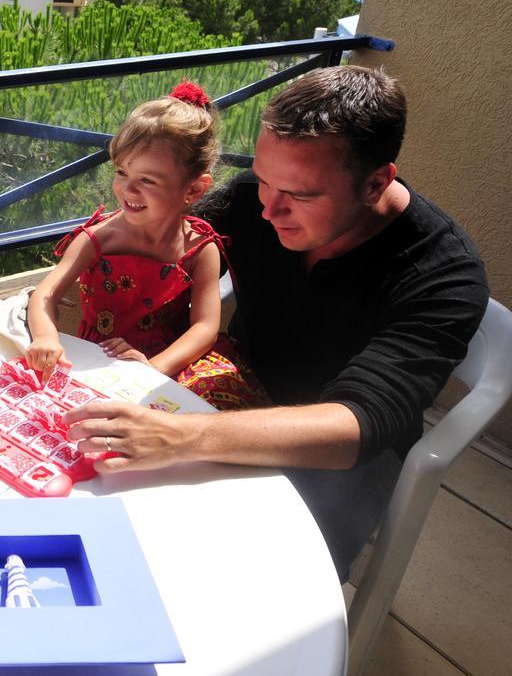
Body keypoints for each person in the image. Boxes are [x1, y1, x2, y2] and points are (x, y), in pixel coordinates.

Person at [63, 66, 489, 578]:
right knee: (123, 511)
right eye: (264, 181)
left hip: (341, 453)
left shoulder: (442, 272)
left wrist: (184, 436)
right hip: (234, 386)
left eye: (301, 195)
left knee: (269, 574)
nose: (268, 211)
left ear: (377, 182)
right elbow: (157, 233)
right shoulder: (255, 199)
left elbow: (360, 422)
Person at [26, 83, 267, 411]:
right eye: (122, 172)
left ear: (194, 189)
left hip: (171, 364)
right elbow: (46, 294)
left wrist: (152, 369)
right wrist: (45, 338)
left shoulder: (200, 248)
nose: (127, 188)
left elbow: (205, 327)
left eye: (148, 180)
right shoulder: (98, 239)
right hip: (103, 361)